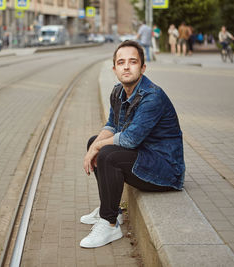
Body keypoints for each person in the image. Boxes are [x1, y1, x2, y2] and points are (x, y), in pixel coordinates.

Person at [80, 40, 185, 248]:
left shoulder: (152, 96)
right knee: (96, 141)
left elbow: (130, 139)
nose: (126, 66)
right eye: (121, 62)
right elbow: (112, 124)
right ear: (114, 69)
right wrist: (95, 145)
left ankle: (109, 225)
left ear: (143, 67)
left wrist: (97, 149)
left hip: (165, 170)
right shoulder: (118, 92)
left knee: (107, 154)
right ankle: (110, 210)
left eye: (132, 61)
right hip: (145, 155)